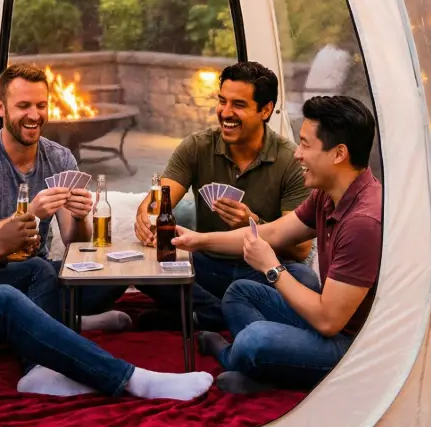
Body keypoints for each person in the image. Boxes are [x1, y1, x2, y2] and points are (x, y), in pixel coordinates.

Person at [0, 102, 213, 401]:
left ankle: (39, 371)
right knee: (0, 300)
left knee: (36, 270)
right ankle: (132, 380)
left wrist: (7, 253)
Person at [177, 96, 381, 394]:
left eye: (305, 145)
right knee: (239, 293)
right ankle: (265, 372)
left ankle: (236, 360)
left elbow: (328, 322)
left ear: (339, 154)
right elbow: (270, 234)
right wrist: (197, 240)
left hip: (352, 347)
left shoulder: (364, 221)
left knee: (255, 338)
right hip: (329, 320)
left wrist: (271, 268)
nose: (297, 154)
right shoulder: (328, 194)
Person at [133, 61, 312, 326]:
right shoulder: (197, 146)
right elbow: (158, 199)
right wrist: (146, 218)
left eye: (238, 105)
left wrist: (253, 224)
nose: (225, 113)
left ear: (265, 110)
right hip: (207, 264)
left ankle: (198, 315)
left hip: (259, 269)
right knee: (141, 265)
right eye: (222, 101)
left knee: (303, 279)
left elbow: (300, 250)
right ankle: (221, 316)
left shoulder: (290, 160)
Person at [0, 64, 126, 328]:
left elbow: (74, 242)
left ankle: (52, 318)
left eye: (41, 105)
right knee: (39, 271)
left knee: (112, 272)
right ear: (1, 107)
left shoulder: (60, 157)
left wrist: (79, 217)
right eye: (23, 106)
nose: (34, 115)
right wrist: (30, 212)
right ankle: (67, 324)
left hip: (37, 272)